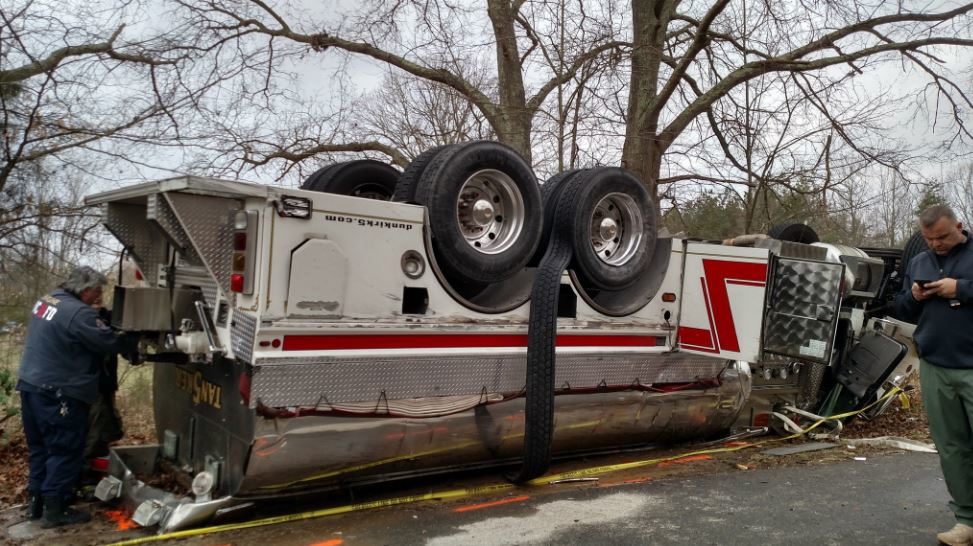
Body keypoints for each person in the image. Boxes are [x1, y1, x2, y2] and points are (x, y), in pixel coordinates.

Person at [16, 266, 134, 528]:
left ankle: (36, 504)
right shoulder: (78, 312)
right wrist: (132, 342)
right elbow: (108, 342)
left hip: (30, 386)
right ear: (86, 289)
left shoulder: (49, 299)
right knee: (64, 448)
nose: (98, 296)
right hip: (59, 393)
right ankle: (56, 510)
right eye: (97, 291)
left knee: (40, 449)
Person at [895, 204, 973, 546]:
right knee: (952, 447)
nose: (936, 244)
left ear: (959, 226)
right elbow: (900, 308)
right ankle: (967, 521)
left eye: (942, 236)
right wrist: (913, 296)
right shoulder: (919, 262)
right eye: (929, 239)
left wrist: (961, 289)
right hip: (936, 365)